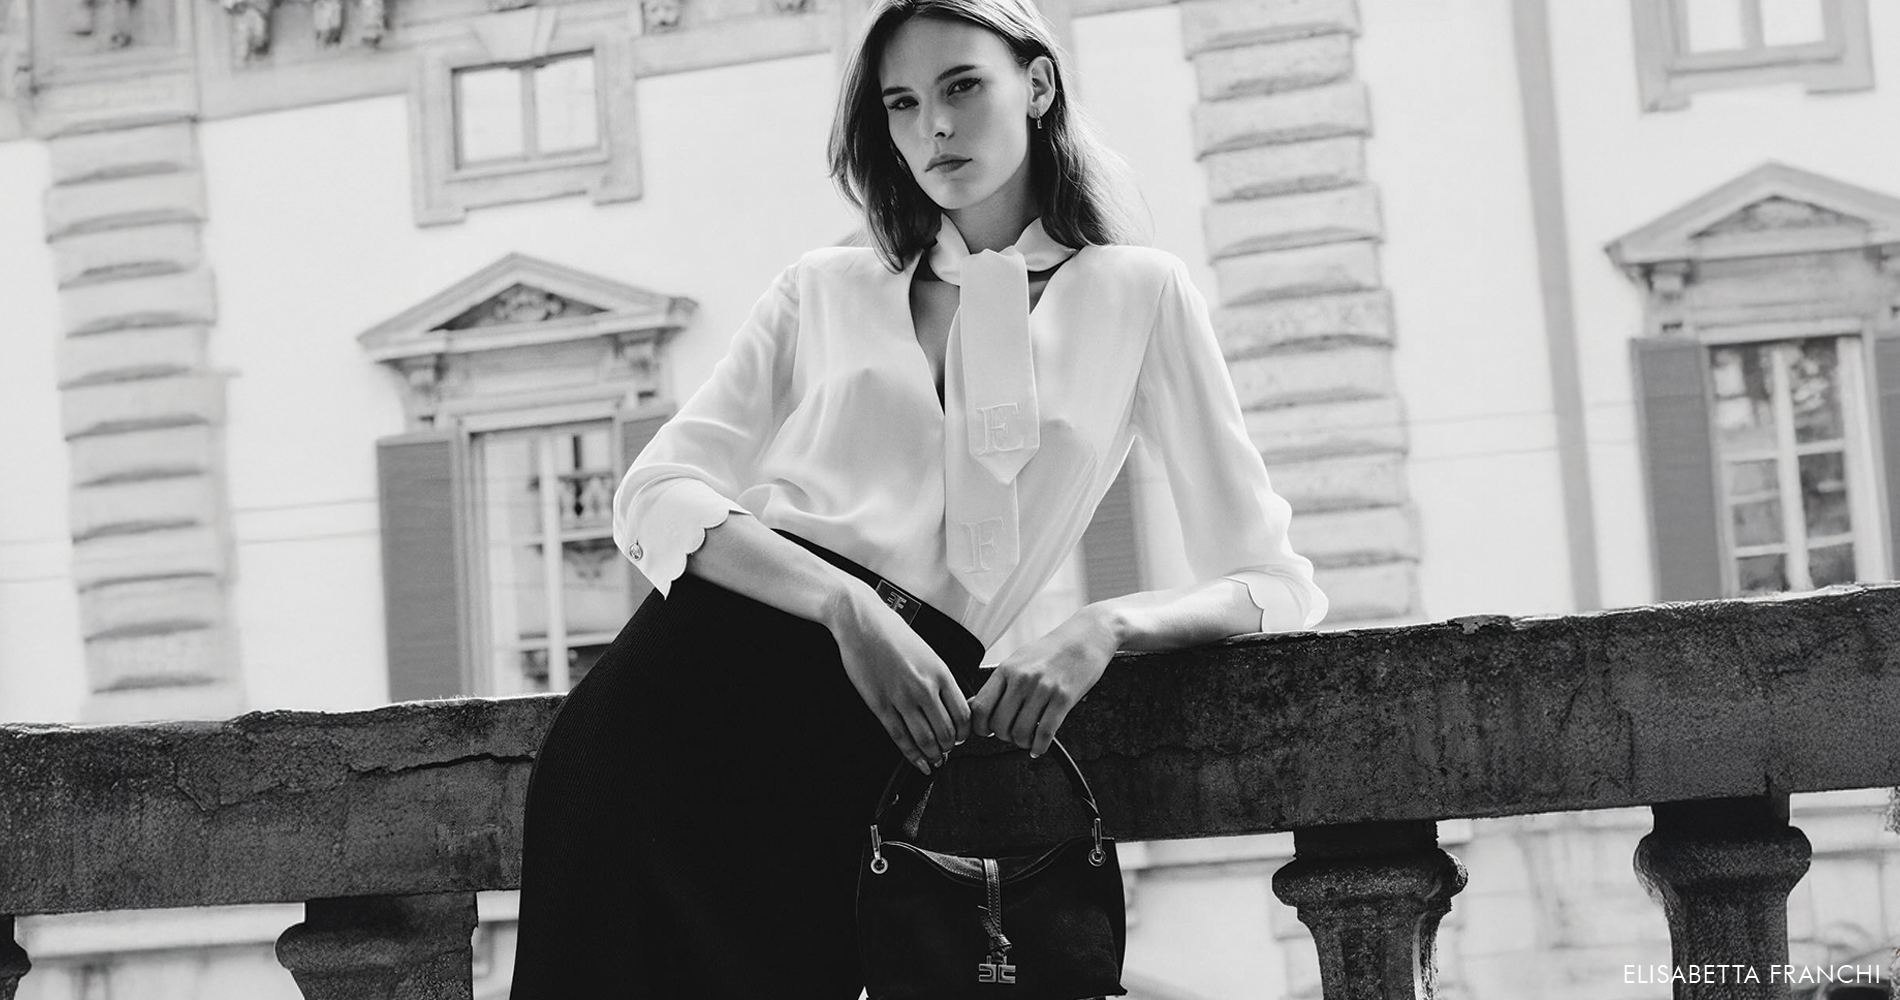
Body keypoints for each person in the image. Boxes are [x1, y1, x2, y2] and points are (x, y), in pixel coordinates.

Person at [505, 0, 1327, 994]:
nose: (932, 128)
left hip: (853, 755)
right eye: (901, 103)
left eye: (961, 87)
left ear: (1037, 83)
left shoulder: (1139, 296)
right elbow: (653, 493)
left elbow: (1273, 583)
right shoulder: (820, 289)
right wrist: (846, 607)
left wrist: (1103, 625)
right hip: (668, 710)